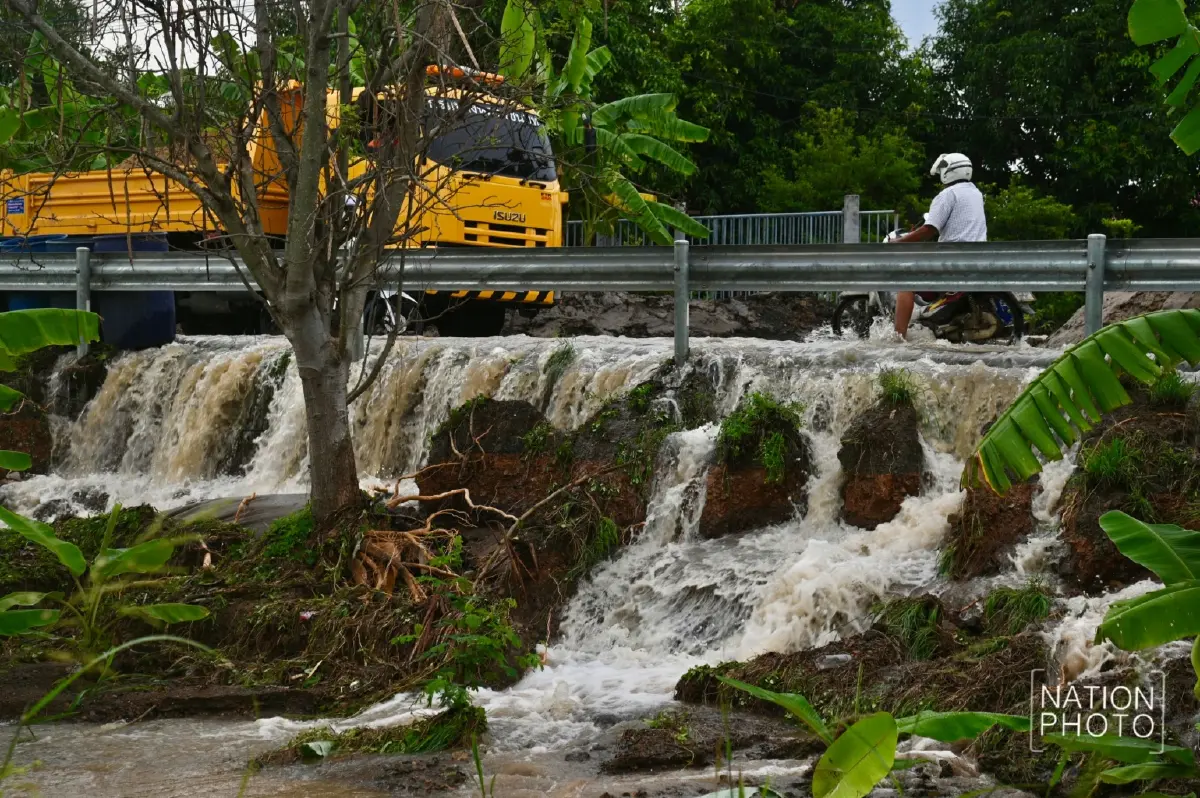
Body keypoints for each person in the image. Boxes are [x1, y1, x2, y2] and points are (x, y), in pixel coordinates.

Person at [890, 153, 987, 339]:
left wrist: (900, 242)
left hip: (951, 262)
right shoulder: (975, 193)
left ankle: (898, 338)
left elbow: (929, 229)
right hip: (974, 259)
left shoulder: (948, 194)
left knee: (905, 282)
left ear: (948, 171)